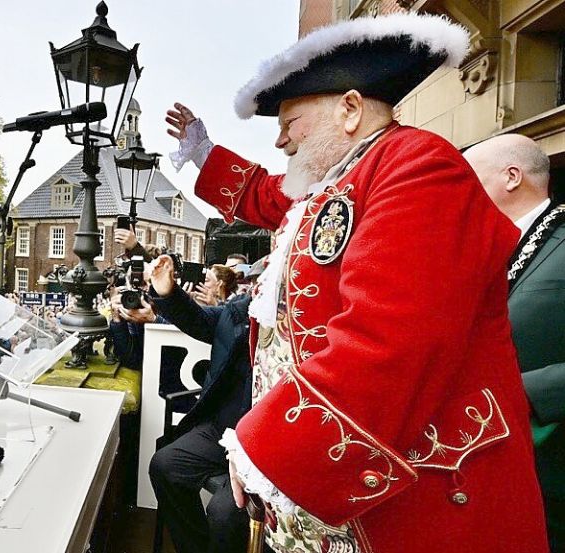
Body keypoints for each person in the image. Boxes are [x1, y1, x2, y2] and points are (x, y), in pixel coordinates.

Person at [168, 13, 546, 553]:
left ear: (348, 109)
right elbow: (270, 197)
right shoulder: (336, 179)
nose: (279, 141)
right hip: (335, 487)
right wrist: (206, 157)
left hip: (413, 499)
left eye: (289, 122)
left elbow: (390, 343)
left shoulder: (419, 165)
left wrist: (261, 448)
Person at [464, 134, 565, 551]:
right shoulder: (477, 248)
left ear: (511, 177)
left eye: (469, 182)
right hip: (488, 474)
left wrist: (520, 392)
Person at [135, 257, 253, 553]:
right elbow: (198, 319)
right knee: (165, 465)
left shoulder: (302, 332)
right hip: (223, 429)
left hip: (265, 443)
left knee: (224, 514)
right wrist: (167, 292)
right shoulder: (240, 312)